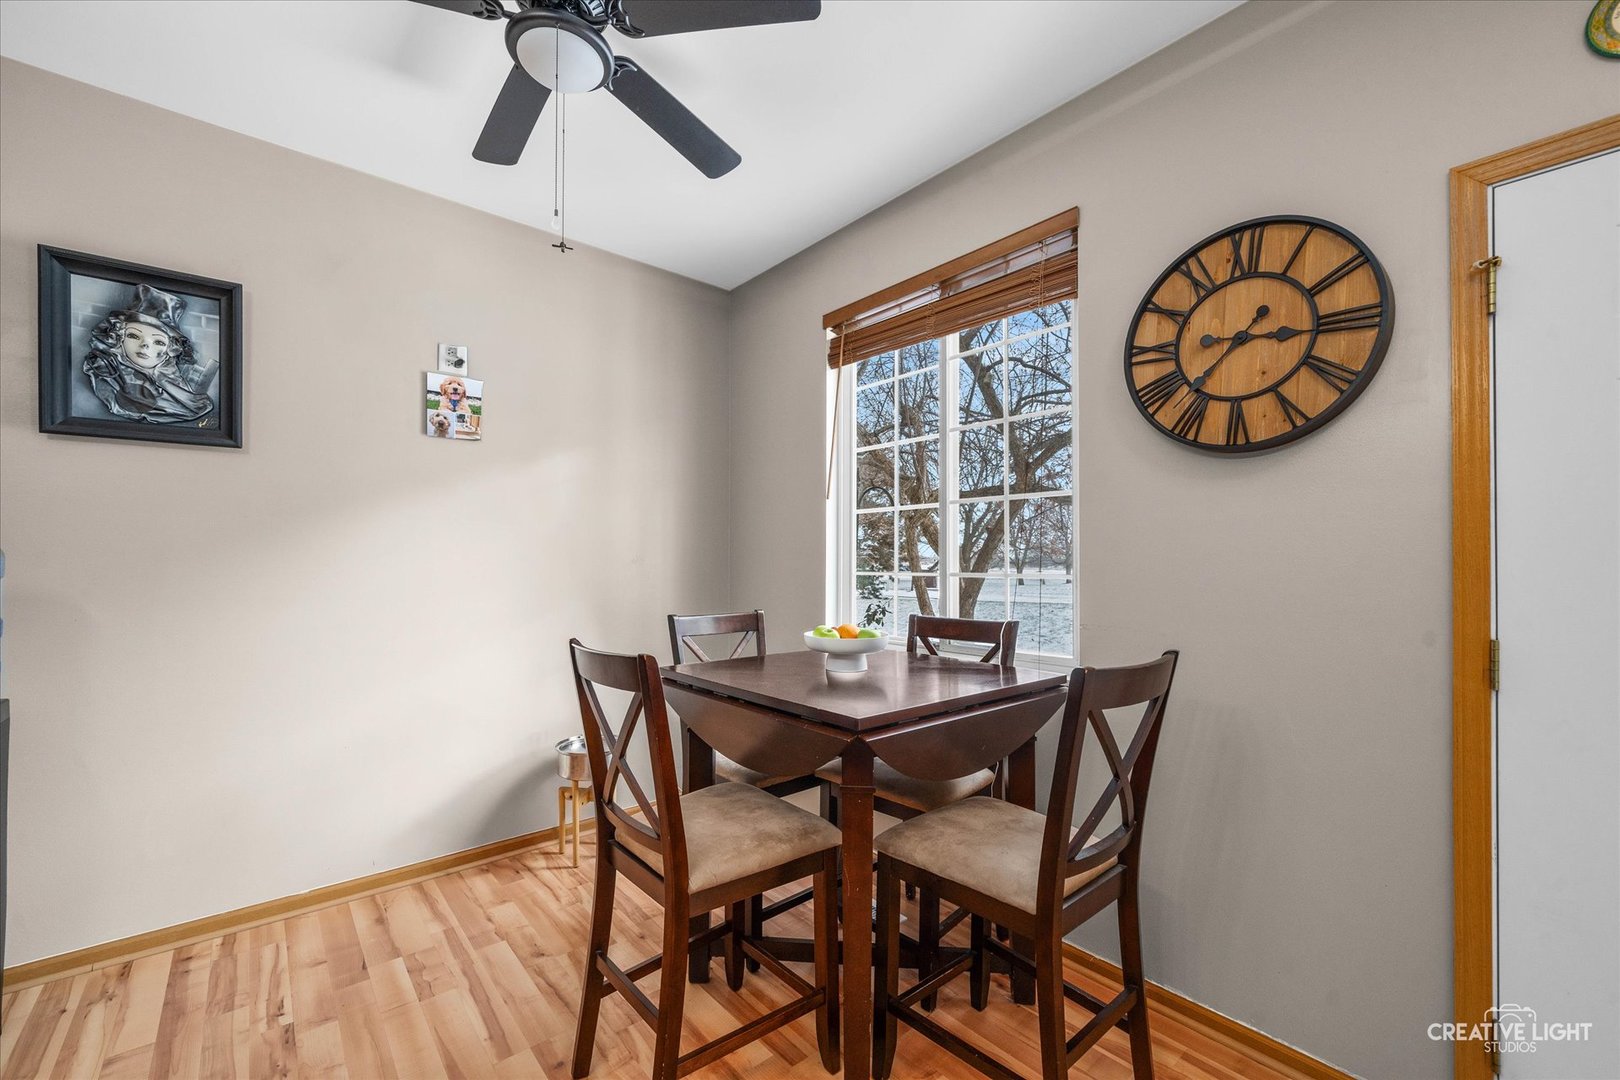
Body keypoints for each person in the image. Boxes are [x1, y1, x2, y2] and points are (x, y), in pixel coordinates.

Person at [83, 284, 217, 424]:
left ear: (170, 349)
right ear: (119, 336)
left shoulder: (180, 392)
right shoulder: (103, 369)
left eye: (158, 342)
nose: (145, 345)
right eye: (134, 336)